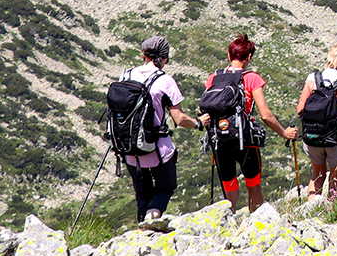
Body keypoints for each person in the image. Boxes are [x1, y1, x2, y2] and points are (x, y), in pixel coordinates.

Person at [200, 34, 298, 213]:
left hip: (220, 140)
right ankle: (255, 223)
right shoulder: (252, 78)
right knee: (253, 185)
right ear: (249, 58)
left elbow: (204, 108)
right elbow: (265, 115)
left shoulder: (214, 77)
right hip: (245, 140)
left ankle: (230, 221)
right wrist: (284, 133)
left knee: (229, 188)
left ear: (229, 56)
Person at [118, 35, 200, 226]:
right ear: (163, 58)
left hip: (129, 149)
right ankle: (152, 218)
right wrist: (198, 123)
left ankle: (141, 230)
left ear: (143, 54)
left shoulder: (125, 75)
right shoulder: (165, 80)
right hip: (156, 149)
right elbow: (179, 119)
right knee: (165, 187)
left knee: (142, 195)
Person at [295, 42, 337, 199]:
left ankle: (311, 210)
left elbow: (300, 110)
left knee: (317, 174)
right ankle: (331, 213)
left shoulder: (313, 79)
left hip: (312, 135)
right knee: (336, 176)